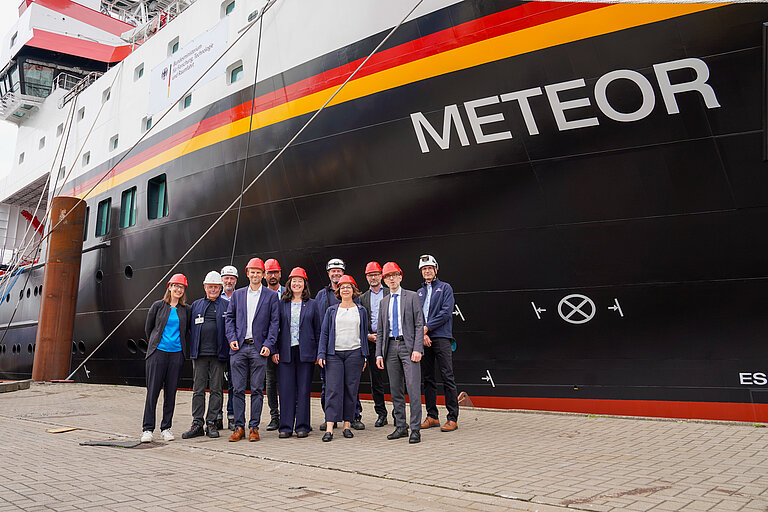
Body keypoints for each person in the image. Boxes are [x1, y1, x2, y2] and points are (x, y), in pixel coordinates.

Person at [225, 258, 279, 442]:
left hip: (258, 348)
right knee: (238, 389)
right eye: (252, 272)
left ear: (263, 275)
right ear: (247, 273)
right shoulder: (238, 295)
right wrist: (231, 338)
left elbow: (274, 323)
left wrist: (268, 344)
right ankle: (239, 427)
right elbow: (229, 319)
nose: (255, 275)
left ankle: (254, 427)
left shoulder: (271, 296)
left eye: (259, 272)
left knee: (257, 389)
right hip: (239, 347)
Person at [376, 262, 425, 444]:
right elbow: (381, 330)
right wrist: (379, 354)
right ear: (385, 280)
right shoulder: (383, 302)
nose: (391, 279)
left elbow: (419, 323)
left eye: (394, 275)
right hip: (390, 348)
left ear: (400, 276)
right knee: (395, 389)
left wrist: (417, 348)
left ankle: (415, 429)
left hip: (408, 346)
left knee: (413, 389)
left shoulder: (412, 297)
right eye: (388, 276)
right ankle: (401, 426)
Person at [317, 275, 368, 442]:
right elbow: (324, 333)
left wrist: (365, 357)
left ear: (354, 290)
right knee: (332, 389)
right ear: (338, 291)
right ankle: (330, 427)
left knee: (351, 390)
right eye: (342, 287)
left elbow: (363, 334)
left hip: (355, 353)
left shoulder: (361, 310)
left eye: (349, 287)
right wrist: (321, 354)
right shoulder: (332, 310)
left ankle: (347, 425)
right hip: (334, 355)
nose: (346, 289)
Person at [141, 273, 191, 443]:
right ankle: (147, 429)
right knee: (153, 392)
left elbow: (187, 332)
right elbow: (149, 329)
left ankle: (166, 428)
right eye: (176, 286)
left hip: (176, 355)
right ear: (169, 287)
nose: (178, 289)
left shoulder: (186, 310)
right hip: (158, 353)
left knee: (171, 393)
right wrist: (156, 346)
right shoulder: (158, 306)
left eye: (181, 287)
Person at [273, 267, 320, 438]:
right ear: (289, 284)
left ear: (305, 284)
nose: (297, 284)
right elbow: (275, 329)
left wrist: (318, 353)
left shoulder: (313, 304)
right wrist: (274, 350)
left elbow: (318, 330)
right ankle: (285, 426)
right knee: (285, 390)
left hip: (306, 352)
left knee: (304, 389)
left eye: (300, 281)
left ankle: (302, 426)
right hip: (285, 352)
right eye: (294, 281)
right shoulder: (281, 304)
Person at [182, 271, 229, 439]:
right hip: (199, 354)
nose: (213, 290)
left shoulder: (226, 305)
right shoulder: (195, 306)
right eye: (210, 287)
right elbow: (187, 327)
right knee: (198, 389)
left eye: (216, 287)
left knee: (216, 389)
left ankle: (211, 423)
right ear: (205, 287)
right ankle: (197, 423)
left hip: (218, 355)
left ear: (220, 288)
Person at [417, 255, 459, 432]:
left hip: (441, 337)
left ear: (436, 270)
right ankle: (432, 416)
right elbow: (416, 315)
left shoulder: (445, 288)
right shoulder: (418, 293)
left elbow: (446, 312)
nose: (427, 271)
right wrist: (422, 333)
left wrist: (427, 328)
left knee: (447, 376)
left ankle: (452, 418)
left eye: (429, 268)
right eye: (423, 269)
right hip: (424, 338)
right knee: (428, 379)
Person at [358, 261, 390, 427]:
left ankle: (398, 414)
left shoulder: (390, 292)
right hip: (372, 342)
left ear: (381, 276)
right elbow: (360, 323)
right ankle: (381, 414)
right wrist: (368, 336)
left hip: (390, 341)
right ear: (367, 277)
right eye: (370, 275)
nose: (373, 277)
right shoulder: (362, 298)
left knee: (394, 378)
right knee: (376, 381)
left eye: (376, 274)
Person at [263, 258, 283, 431]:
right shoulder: (262, 295)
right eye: (269, 272)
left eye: (275, 272)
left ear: (280, 274)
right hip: (268, 346)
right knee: (270, 382)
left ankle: (288, 415)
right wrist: (271, 347)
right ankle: (274, 416)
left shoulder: (287, 293)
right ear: (264, 275)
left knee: (288, 382)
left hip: (286, 346)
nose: (273, 276)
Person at [220, 264, 238, 430]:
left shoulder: (239, 297)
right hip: (219, 347)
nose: (229, 281)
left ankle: (231, 416)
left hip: (234, 347)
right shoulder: (215, 298)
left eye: (232, 278)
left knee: (233, 383)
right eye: (226, 278)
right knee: (217, 384)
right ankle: (217, 416)